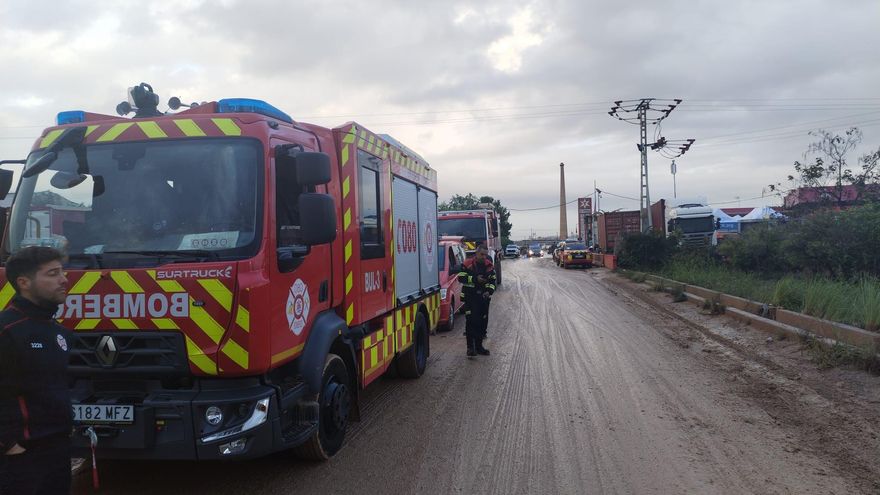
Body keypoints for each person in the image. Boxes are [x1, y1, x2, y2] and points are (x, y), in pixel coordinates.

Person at [0, 246, 72, 494]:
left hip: (58, 450)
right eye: (53, 273)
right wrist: (8, 443)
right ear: (24, 283)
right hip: (20, 456)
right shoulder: (7, 330)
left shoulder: (58, 332)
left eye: (62, 272)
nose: (64, 279)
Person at [457, 244, 496, 357]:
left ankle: (479, 347)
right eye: (481, 254)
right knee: (471, 322)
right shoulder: (467, 264)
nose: (484, 257)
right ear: (476, 253)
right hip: (470, 298)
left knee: (482, 323)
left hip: (483, 299)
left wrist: (489, 291)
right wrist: (475, 279)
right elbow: (461, 277)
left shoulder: (489, 266)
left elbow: (493, 281)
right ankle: (470, 348)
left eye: (485, 255)